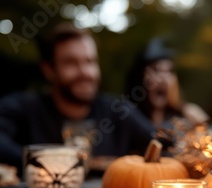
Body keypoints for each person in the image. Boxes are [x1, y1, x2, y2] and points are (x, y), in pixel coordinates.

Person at [0, 22, 159, 176]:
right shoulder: (23, 108)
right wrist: (48, 162)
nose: (85, 72)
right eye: (71, 63)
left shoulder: (117, 110)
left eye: (90, 61)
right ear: (48, 70)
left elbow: (160, 144)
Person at [125, 36, 210, 134]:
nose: (163, 78)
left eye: (169, 71)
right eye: (156, 70)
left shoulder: (189, 116)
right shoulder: (129, 119)